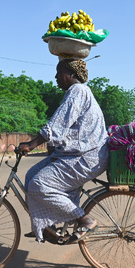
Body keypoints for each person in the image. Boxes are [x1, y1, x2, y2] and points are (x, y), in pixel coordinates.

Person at [18, 58, 109, 244]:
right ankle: (47, 225)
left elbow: (58, 125)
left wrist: (32, 144)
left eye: (59, 73)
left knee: (38, 184)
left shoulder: (78, 91)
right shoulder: (76, 92)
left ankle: (84, 219)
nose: (56, 77)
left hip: (87, 157)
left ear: (72, 74)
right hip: (76, 154)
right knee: (31, 175)